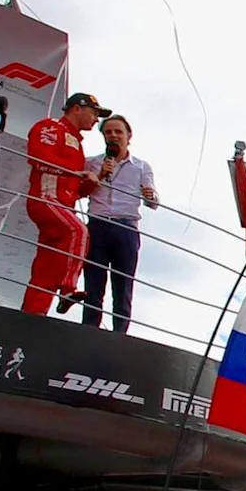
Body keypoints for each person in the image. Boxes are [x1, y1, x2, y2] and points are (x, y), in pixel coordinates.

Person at [19, 91, 101, 317]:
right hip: (45, 200)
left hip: (63, 206)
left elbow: (74, 189)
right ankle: (67, 290)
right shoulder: (51, 127)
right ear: (77, 108)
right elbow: (38, 158)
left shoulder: (78, 143)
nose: (96, 119)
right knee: (78, 231)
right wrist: (76, 172)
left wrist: (93, 181)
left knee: (46, 266)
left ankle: (31, 316)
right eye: (94, 113)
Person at [77, 112, 157, 330]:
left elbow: (154, 202)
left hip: (126, 228)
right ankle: (89, 330)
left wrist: (150, 196)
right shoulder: (91, 163)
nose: (113, 136)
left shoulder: (141, 166)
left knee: (123, 287)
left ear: (128, 136)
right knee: (93, 283)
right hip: (98, 225)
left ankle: (119, 335)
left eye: (118, 132)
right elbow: (79, 192)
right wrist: (101, 175)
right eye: (108, 132)